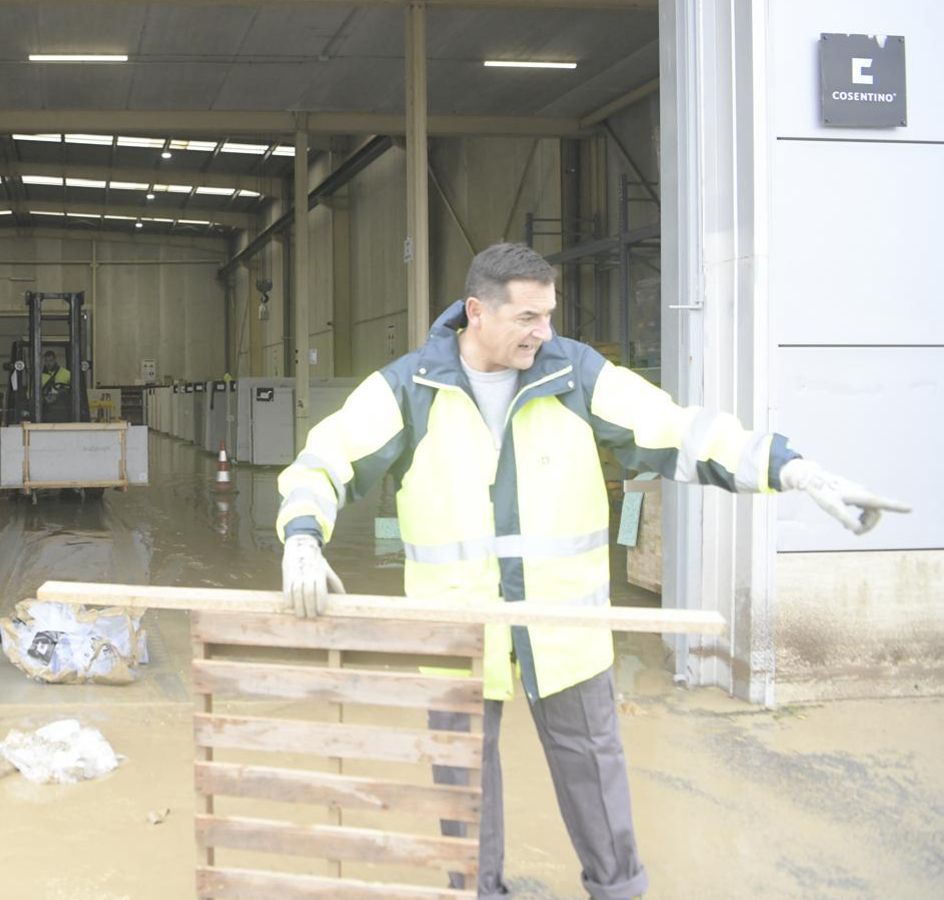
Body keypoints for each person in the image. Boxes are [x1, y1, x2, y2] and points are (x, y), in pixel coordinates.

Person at [275, 242, 909, 900]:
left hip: (565, 629)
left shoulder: (574, 375)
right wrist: (300, 537)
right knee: (464, 792)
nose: (544, 331)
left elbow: (678, 430)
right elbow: (326, 460)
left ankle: (617, 892)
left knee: (597, 782)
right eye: (528, 317)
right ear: (477, 313)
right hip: (456, 632)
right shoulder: (410, 388)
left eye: (549, 314)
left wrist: (788, 466)